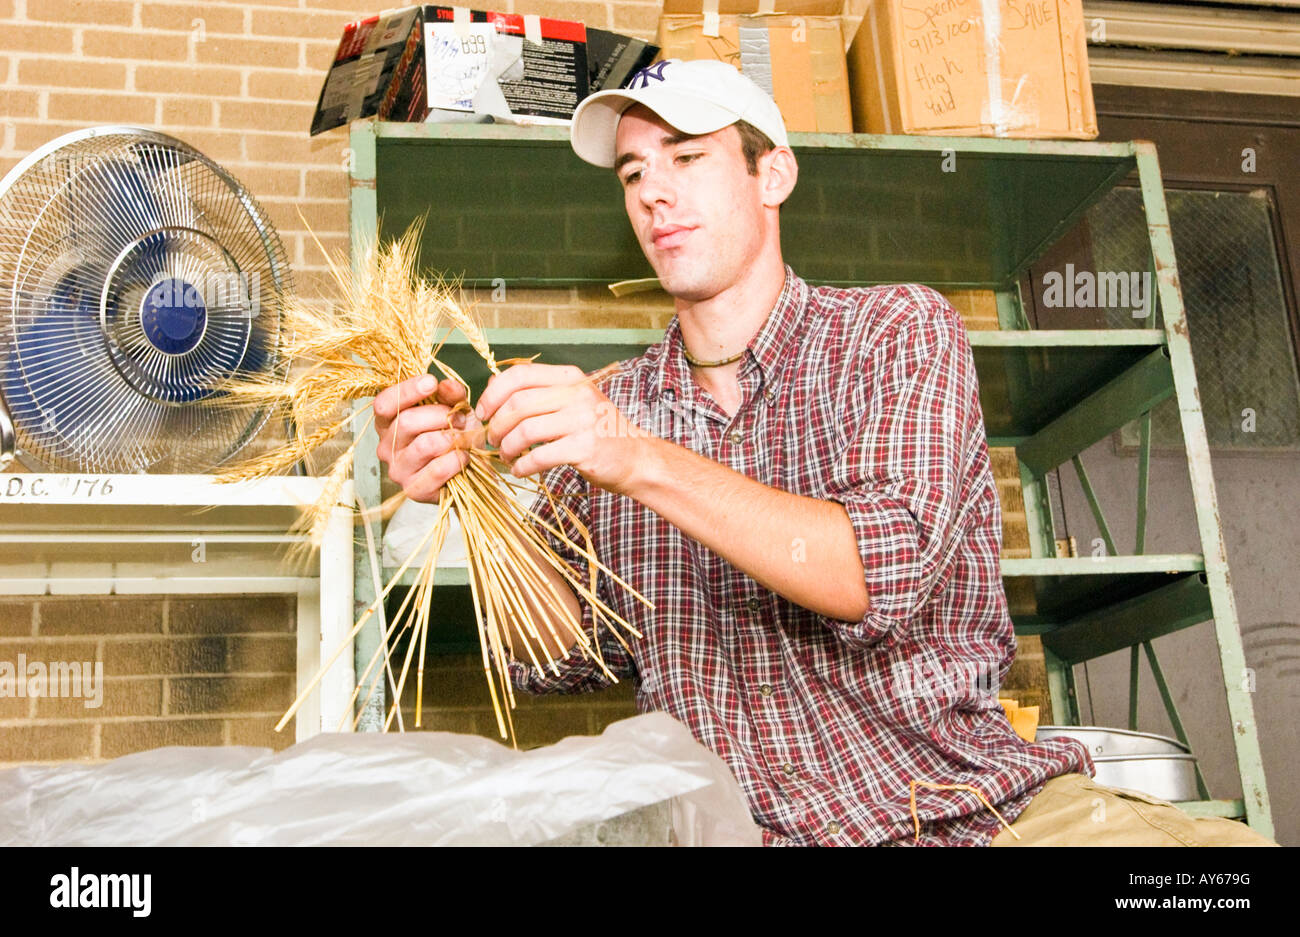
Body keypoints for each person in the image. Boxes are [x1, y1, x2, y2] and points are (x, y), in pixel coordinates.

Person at [373, 59, 1275, 846]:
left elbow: (874, 574)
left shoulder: (896, 334)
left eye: (688, 158)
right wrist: (460, 505)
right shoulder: (614, 407)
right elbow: (563, 654)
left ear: (775, 175)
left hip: (971, 817)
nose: (653, 192)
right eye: (633, 171)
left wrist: (633, 455)